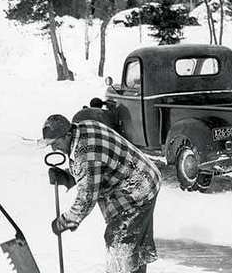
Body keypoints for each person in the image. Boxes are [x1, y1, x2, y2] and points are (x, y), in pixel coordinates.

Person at [42, 114, 161, 273]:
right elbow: (98, 164)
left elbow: (87, 197)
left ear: (67, 135)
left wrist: (66, 221)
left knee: (119, 242)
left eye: (56, 143)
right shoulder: (82, 128)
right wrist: (69, 176)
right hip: (140, 177)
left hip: (137, 189)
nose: (54, 149)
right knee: (130, 246)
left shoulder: (86, 154)